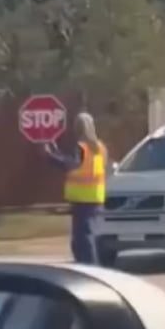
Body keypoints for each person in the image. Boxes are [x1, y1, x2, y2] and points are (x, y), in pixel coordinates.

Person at [41, 112, 109, 264]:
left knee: (82, 239)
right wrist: (56, 152)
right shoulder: (100, 147)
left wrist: (50, 156)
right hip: (96, 198)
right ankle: (88, 265)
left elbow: (70, 164)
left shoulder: (81, 148)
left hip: (83, 200)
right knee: (86, 237)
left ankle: (89, 267)